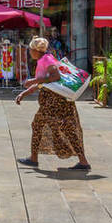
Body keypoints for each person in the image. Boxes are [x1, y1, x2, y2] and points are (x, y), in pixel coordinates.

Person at [15, 36, 90, 171]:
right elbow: (43, 83)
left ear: (36, 50)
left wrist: (32, 81)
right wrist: (23, 94)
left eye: (30, 50)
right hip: (56, 100)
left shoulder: (46, 59)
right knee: (67, 128)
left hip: (53, 101)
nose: (30, 52)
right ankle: (83, 161)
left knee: (39, 125)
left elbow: (55, 77)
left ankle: (33, 159)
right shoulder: (45, 59)